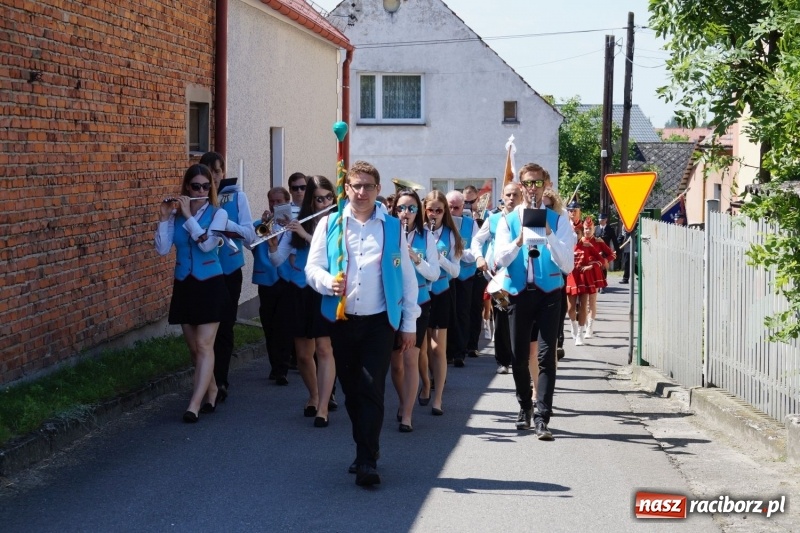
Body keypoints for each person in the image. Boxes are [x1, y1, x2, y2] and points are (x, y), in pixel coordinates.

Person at [305, 161, 420, 487]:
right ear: (347, 188)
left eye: (368, 186)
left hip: (379, 322)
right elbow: (312, 269)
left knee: (371, 387)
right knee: (352, 391)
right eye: (356, 185)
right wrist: (329, 282)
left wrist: (409, 322)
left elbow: (406, 278)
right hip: (341, 320)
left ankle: (367, 459)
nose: (362, 192)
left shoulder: (391, 227)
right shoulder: (330, 224)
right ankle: (365, 446)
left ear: (377, 189)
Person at [494, 164, 575, 439]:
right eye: (527, 183)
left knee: (545, 357)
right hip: (518, 292)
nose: (532, 188)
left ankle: (543, 417)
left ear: (546, 184)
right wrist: (518, 241)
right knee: (518, 357)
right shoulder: (508, 219)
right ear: (520, 185)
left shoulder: (560, 219)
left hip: (549, 292)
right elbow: (499, 260)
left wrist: (549, 232)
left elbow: (568, 265)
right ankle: (525, 406)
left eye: (537, 183)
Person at [155, 164, 230, 423]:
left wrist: (188, 217)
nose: (201, 190)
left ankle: (194, 405)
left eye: (206, 186)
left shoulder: (218, 214)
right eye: (195, 186)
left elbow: (209, 245)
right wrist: (165, 217)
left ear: (211, 189)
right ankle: (211, 389)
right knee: (193, 349)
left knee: (203, 344)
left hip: (210, 282)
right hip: (185, 283)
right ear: (187, 187)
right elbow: (163, 250)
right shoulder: (175, 215)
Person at [269, 176, 337, 427]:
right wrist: (274, 244)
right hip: (300, 291)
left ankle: (322, 407)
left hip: (324, 292)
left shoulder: (337, 223)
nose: (325, 203)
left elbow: (333, 256)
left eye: (329, 197)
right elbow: (278, 261)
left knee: (324, 349)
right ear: (311, 200)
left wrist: (307, 236)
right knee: (303, 355)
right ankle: (315, 394)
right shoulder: (300, 223)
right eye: (319, 199)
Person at [199, 152, 256, 403]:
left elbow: (250, 236)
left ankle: (220, 380)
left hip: (229, 270)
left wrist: (228, 225)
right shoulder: (196, 198)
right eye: (210, 171)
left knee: (224, 327)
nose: (214, 176)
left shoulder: (236, 196)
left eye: (218, 171)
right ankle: (205, 382)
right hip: (203, 273)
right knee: (204, 331)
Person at [390, 189, 440, 433]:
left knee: (411, 360)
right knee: (396, 364)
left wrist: (416, 259)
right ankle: (402, 400)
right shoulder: (387, 232)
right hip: (391, 305)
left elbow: (435, 273)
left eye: (411, 208)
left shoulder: (425, 236)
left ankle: (407, 414)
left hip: (419, 303)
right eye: (401, 208)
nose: (405, 213)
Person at [419, 190, 462, 416]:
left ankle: (438, 398)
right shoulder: (418, 232)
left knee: (438, 348)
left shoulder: (450, 234)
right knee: (421, 348)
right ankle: (426, 383)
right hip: (420, 293)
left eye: (439, 210)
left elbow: (455, 271)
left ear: (444, 211)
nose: (434, 214)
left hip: (442, 291)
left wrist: (439, 257)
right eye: (430, 210)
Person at [473, 182, 523, 374]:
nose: (511, 198)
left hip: (521, 275)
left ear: (522, 196)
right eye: (508, 195)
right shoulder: (493, 219)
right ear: (502, 196)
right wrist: (479, 257)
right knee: (501, 315)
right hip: (498, 277)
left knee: (520, 318)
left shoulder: (525, 218)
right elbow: (477, 240)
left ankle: (521, 359)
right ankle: (503, 360)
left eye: (515, 195)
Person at [252, 187, 294, 386]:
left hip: (287, 280)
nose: (275, 205)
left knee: (284, 325)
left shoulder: (294, 225)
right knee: (269, 325)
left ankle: (282, 368)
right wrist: (262, 224)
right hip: (267, 281)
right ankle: (274, 365)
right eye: (272, 201)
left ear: (287, 202)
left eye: (279, 201)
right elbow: (249, 241)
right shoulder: (260, 225)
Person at [445, 190, 480, 366]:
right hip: (446, 276)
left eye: (456, 208)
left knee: (463, 313)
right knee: (448, 313)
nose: (452, 211)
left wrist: (457, 254)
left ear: (463, 207)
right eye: (449, 207)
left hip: (465, 275)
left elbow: (474, 253)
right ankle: (448, 351)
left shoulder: (471, 224)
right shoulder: (441, 224)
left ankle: (460, 351)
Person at [566, 217, 606, 345]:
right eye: (573, 232)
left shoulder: (588, 245)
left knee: (584, 306)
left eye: (577, 233)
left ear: (581, 234)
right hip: (571, 277)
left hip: (584, 278)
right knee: (571, 308)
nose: (575, 235)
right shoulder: (566, 245)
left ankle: (580, 334)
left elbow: (601, 259)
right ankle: (574, 326)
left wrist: (591, 265)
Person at [585, 217, 615, 338]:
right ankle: (584, 323)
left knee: (591, 301)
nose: (588, 231)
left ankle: (589, 327)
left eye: (590, 229)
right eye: (586, 228)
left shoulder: (598, 241)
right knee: (583, 303)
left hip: (593, 274)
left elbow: (612, 254)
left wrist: (604, 261)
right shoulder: (578, 241)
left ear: (594, 229)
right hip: (581, 274)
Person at [594, 212, 619, 287]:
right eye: (599, 219)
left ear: (606, 220)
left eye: (602, 219)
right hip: (597, 250)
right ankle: (597, 283)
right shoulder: (596, 228)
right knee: (597, 266)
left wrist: (617, 250)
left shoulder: (610, 229)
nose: (600, 221)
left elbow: (614, 240)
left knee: (604, 267)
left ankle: (603, 284)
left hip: (605, 250)